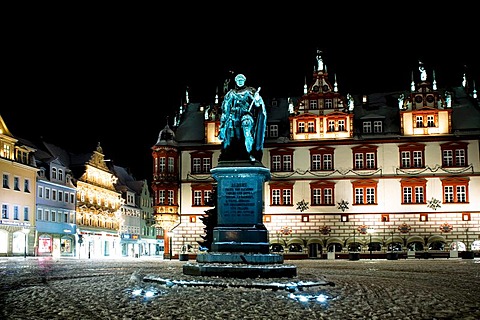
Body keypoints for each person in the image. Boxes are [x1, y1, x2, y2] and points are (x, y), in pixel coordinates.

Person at [218, 73, 266, 162]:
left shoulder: (250, 91)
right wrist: (224, 122)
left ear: (244, 81)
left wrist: (257, 98)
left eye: (242, 80)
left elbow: (258, 104)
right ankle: (236, 153)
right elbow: (226, 108)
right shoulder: (231, 93)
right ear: (236, 81)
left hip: (246, 116)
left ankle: (250, 153)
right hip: (234, 117)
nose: (240, 82)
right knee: (237, 137)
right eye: (238, 80)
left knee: (247, 132)